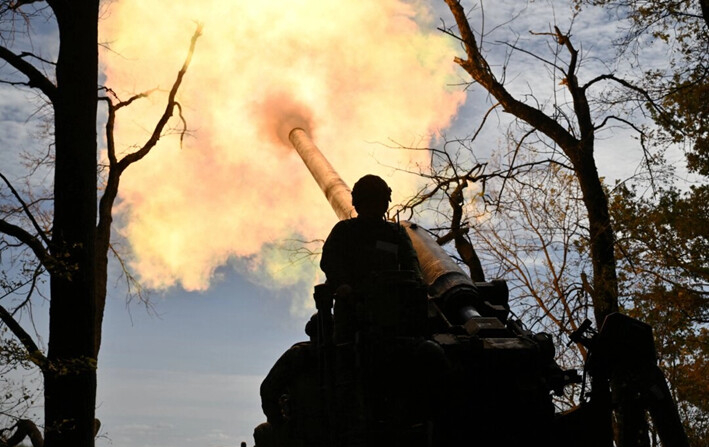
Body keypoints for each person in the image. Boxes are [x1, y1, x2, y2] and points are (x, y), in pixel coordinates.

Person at [320, 174, 423, 342]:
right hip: (353, 307)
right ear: (358, 204)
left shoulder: (396, 233)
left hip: (393, 308)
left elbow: (410, 261)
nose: (373, 207)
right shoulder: (345, 230)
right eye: (369, 202)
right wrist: (342, 285)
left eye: (377, 201)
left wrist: (417, 286)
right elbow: (330, 260)